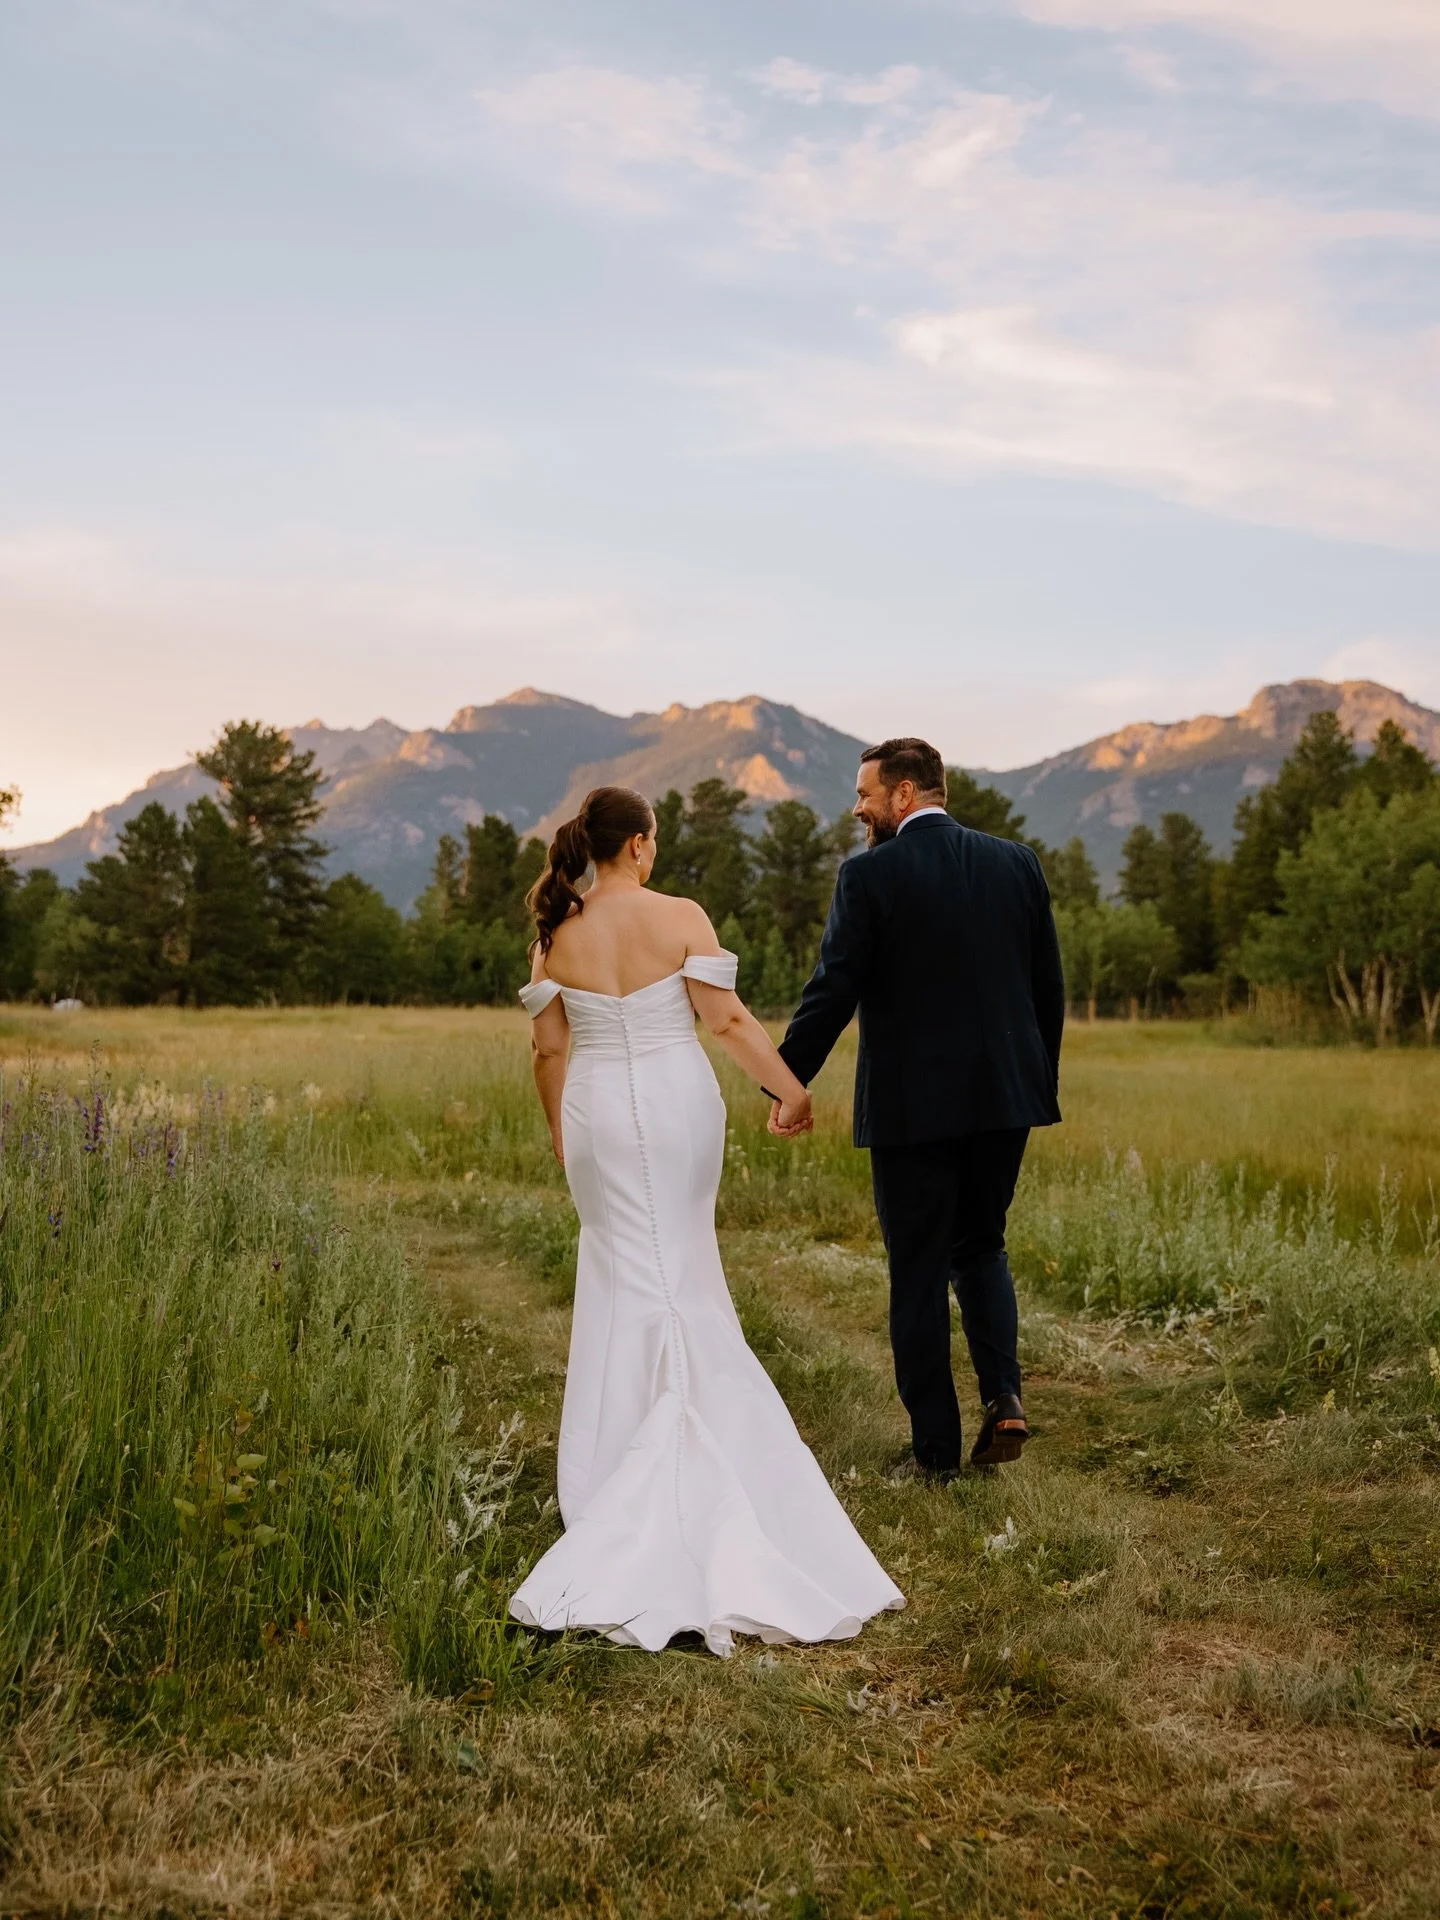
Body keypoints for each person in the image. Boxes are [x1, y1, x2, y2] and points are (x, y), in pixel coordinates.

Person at [509, 785, 904, 1657]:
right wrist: (789, 1088)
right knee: (682, 1264)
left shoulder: (557, 935)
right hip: (680, 1107)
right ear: (640, 846)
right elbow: (723, 1019)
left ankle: (619, 1468)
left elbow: (549, 1051)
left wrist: (559, 1131)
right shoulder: (681, 912)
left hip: (599, 1114)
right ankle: (704, 1455)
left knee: (621, 1274)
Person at [772, 738, 1064, 1483]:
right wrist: (1034, 1085)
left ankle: (935, 1454)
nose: (858, 807)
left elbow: (832, 990)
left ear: (904, 795)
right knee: (983, 1246)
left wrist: (784, 1081)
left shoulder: (869, 876)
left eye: (866, 793)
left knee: (918, 1270)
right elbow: (1046, 991)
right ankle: (1005, 1398)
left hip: (912, 1109)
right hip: (1008, 1099)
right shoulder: (1017, 863)